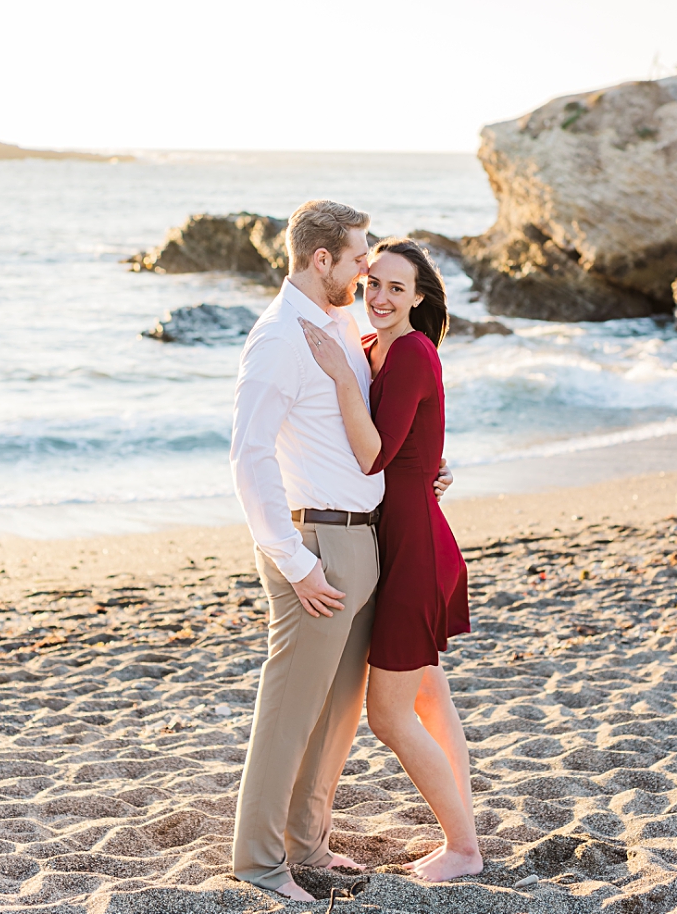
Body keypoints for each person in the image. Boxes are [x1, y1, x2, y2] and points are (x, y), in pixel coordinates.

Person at [228, 200, 452, 901]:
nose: (367, 271)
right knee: (290, 713)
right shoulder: (277, 340)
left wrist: (422, 469)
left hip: (364, 540)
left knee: (337, 713)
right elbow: (248, 457)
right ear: (321, 259)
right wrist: (295, 560)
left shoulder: (340, 323)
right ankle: (261, 863)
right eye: (360, 259)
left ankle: (309, 845)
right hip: (317, 544)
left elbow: (372, 432)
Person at [298, 237, 478, 882]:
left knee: (390, 715)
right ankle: (466, 829)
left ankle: (462, 848)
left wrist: (342, 377)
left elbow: (374, 454)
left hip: (413, 550)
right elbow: (407, 445)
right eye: (373, 282)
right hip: (406, 535)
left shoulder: (408, 351)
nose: (379, 296)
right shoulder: (376, 347)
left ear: (420, 298)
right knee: (430, 698)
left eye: (396, 289)